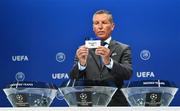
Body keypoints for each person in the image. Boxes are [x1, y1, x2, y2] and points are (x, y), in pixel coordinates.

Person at [70, 9, 132, 106]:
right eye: (96, 23)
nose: (100, 27)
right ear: (93, 27)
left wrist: (109, 62)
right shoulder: (83, 50)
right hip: (89, 102)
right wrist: (81, 64)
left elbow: (128, 74)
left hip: (115, 103)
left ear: (112, 26)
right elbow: (73, 77)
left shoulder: (123, 48)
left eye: (104, 22)